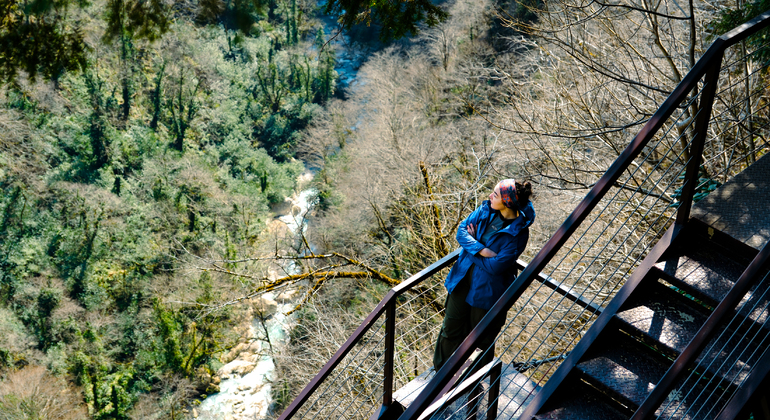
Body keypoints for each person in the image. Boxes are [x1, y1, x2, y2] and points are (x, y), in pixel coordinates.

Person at [433, 179, 535, 371]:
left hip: (487, 291)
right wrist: (481, 250)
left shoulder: (519, 233)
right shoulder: (485, 210)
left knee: (481, 340)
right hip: (462, 280)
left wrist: (471, 248)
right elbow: (461, 232)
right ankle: (440, 373)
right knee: (450, 329)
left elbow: (496, 267)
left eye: (495, 194)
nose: (490, 196)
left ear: (507, 202)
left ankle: (474, 380)